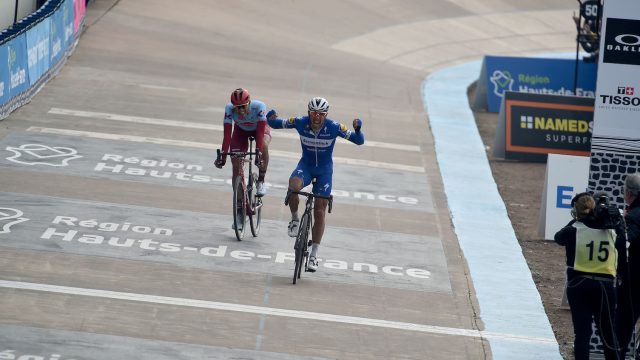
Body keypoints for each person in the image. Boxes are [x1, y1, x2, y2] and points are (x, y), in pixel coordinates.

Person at [266, 97, 364, 272]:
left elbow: (359, 141)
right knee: (293, 186)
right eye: (313, 113)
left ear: (325, 115)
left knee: (320, 210)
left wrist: (358, 129)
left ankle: (313, 256)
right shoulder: (300, 122)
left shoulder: (334, 127)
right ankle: (295, 220)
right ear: (308, 112)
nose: (316, 117)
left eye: (320, 114)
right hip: (306, 166)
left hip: (324, 171)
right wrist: (270, 117)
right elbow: (275, 124)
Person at [555, 192, 625, 360]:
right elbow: (623, 246)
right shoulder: (612, 231)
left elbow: (558, 237)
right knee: (608, 335)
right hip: (606, 286)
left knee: (582, 335)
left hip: (579, 284)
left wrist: (578, 220)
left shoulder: (575, 228)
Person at [215, 88, 271, 229]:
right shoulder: (229, 109)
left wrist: (258, 152)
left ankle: (261, 180)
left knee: (263, 144)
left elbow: (259, 132)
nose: (239, 111)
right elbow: (227, 134)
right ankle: (240, 210)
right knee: (236, 167)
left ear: (249, 102)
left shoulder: (259, 107)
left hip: (259, 130)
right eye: (237, 108)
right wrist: (223, 155)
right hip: (240, 132)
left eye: (242, 107)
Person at [617, 173, 640, 359]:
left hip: (635, 278)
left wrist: (620, 224)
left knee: (624, 324)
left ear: (629, 193)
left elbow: (625, 240)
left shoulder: (634, 215)